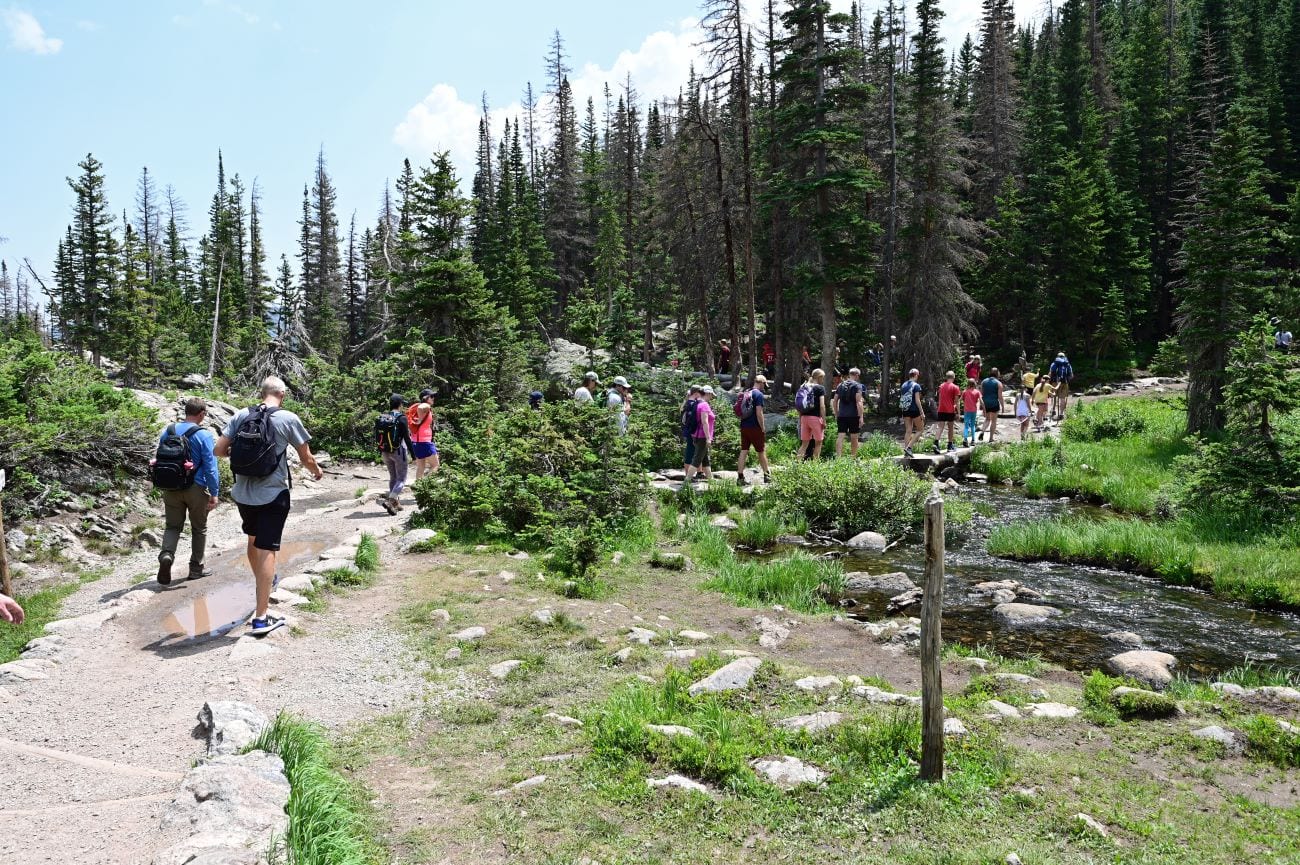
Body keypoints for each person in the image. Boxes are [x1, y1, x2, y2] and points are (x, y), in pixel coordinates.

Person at [215, 376, 323, 636]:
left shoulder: (242, 414)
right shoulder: (288, 418)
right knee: (268, 550)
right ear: (282, 394)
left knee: (253, 541)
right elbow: (305, 457)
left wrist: (245, 456)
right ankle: (261, 618)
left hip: (242, 493)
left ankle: (263, 582)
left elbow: (219, 449)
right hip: (273, 494)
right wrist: (317, 471)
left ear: (261, 392)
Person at [156, 398, 220, 585]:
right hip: (196, 488)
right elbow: (211, 467)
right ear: (201, 414)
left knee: (172, 526)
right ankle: (195, 569)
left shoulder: (168, 431)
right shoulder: (204, 435)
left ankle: (167, 555)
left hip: (170, 486)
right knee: (199, 528)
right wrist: (214, 492)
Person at [375, 394, 415, 515]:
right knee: (402, 479)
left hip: (385, 452)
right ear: (400, 405)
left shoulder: (383, 417)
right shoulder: (401, 418)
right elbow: (407, 439)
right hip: (398, 451)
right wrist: (413, 455)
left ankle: (395, 504)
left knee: (393, 477)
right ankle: (391, 500)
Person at [736, 374, 772, 485]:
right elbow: (759, 413)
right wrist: (762, 427)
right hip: (755, 427)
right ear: (760, 383)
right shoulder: (758, 395)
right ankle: (767, 476)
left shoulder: (746, 392)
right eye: (764, 384)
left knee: (744, 451)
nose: (764, 387)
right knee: (761, 451)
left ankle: (740, 477)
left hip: (744, 426)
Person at [684, 385, 716, 482]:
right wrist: (708, 438)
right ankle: (687, 480)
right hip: (702, 436)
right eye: (711, 395)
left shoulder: (697, 403)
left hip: (696, 435)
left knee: (705, 459)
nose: (711, 397)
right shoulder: (704, 405)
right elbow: (704, 422)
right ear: (708, 393)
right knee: (697, 458)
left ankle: (711, 480)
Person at [832, 367, 866, 458]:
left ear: (849, 374)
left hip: (842, 415)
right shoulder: (858, 386)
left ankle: (838, 458)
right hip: (853, 415)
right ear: (857, 375)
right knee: (854, 437)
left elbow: (835, 401)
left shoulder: (840, 385)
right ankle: (853, 457)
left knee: (840, 436)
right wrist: (861, 417)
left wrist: (836, 413)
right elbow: (859, 402)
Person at [795, 368, 828, 461]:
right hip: (815, 418)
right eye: (823, 378)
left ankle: (797, 465)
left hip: (804, 418)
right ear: (820, 377)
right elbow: (822, 406)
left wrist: (800, 418)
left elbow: (799, 404)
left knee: (804, 444)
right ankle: (815, 465)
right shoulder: (820, 388)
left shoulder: (803, 387)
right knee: (818, 442)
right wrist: (824, 420)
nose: (823, 380)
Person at [409, 389, 440, 480]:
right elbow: (420, 407)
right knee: (435, 465)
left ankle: (419, 487)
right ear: (426, 398)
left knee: (421, 467)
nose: (433, 398)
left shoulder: (426, 408)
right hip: (424, 442)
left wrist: (420, 419)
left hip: (416, 442)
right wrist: (420, 419)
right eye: (431, 396)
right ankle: (425, 484)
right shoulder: (426, 406)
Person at [930, 370, 961, 453]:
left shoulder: (941, 386)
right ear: (953, 377)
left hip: (941, 409)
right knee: (950, 427)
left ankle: (936, 443)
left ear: (946, 377)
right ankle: (950, 445)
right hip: (950, 410)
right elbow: (957, 401)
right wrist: (959, 412)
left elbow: (940, 398)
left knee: (940, 427)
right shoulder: (955, 387)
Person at [899, 369, 925, 457]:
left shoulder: (903, 385)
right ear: (916, 375)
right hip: (914, 410)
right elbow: (917, 400)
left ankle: (906, 452)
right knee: (920, 429)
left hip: (905, 409)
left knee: (908, 430)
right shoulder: (916, 386)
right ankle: (909, 448)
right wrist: (922, 412)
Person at [680, 385, 705, 472]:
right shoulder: (693, 404)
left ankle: (698, 472)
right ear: (696, 393)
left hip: (688, 430)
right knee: (691, 451)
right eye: (700, 393)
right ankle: (688, 475)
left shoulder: (687, 403)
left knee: (693, 450)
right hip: (692, 431)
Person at [980, 368, 1005, 442]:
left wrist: (981, 404)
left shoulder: (983, 381)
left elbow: (982, 393)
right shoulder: (998, 383)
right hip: (994, 403)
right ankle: (991, 438)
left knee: (987, 419)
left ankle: (982, 431)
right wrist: (1003, 406)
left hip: (985, 403)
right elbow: (1000, 397)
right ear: (997, 373)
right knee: (994, 421)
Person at [1048, 352, 1074, 421]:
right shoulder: (1067, 364)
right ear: (1064, 356)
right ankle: (1061, 414)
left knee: (1054, 396)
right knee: (1062, 398)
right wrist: (1067, 380)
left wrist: (1048, 381)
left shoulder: (1054, 363)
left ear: (1057, 356)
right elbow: (1071, 375)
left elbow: (1050, 373)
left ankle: (1053, 410)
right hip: (1064, 383)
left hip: (1055, 382)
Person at [961, 379, 982, 447]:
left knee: (966, 426)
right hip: (974, 411)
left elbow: (962, 399)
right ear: (974, 383)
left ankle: (965, 439)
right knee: (973, 425)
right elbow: (980, 401)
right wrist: (984, 409)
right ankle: (973, 440)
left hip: (967, 411)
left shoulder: (965, 391)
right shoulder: (977, 392)